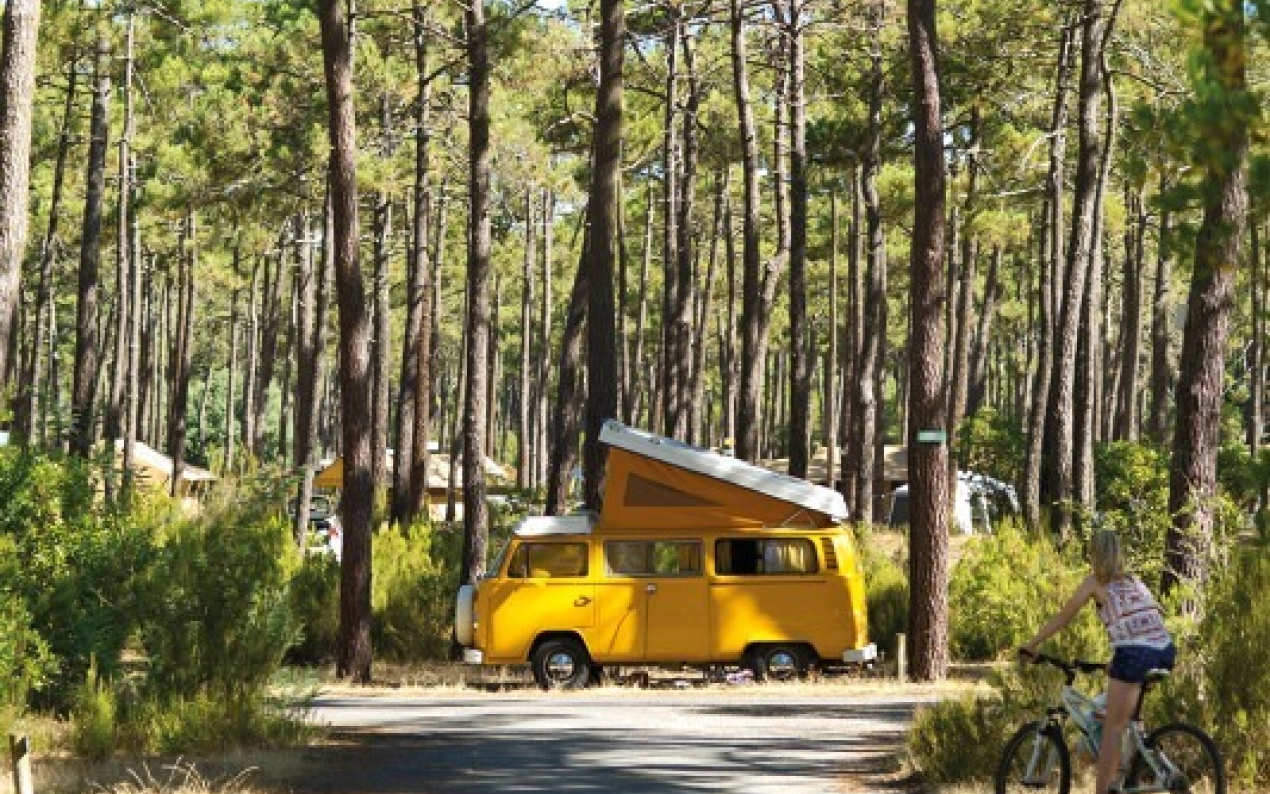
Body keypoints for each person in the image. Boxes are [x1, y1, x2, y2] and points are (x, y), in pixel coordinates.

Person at [1020, 530, 1175, 794]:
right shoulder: (1136, 581)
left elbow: (1063, 618)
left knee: (1112, 729)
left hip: (1135, 654)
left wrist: (1032, 644)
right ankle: (1132, 768)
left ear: (1096, 555)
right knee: (1123, 719)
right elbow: (1150, 616)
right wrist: (1118, 659)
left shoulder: (1095, 583)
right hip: (1165, 650)